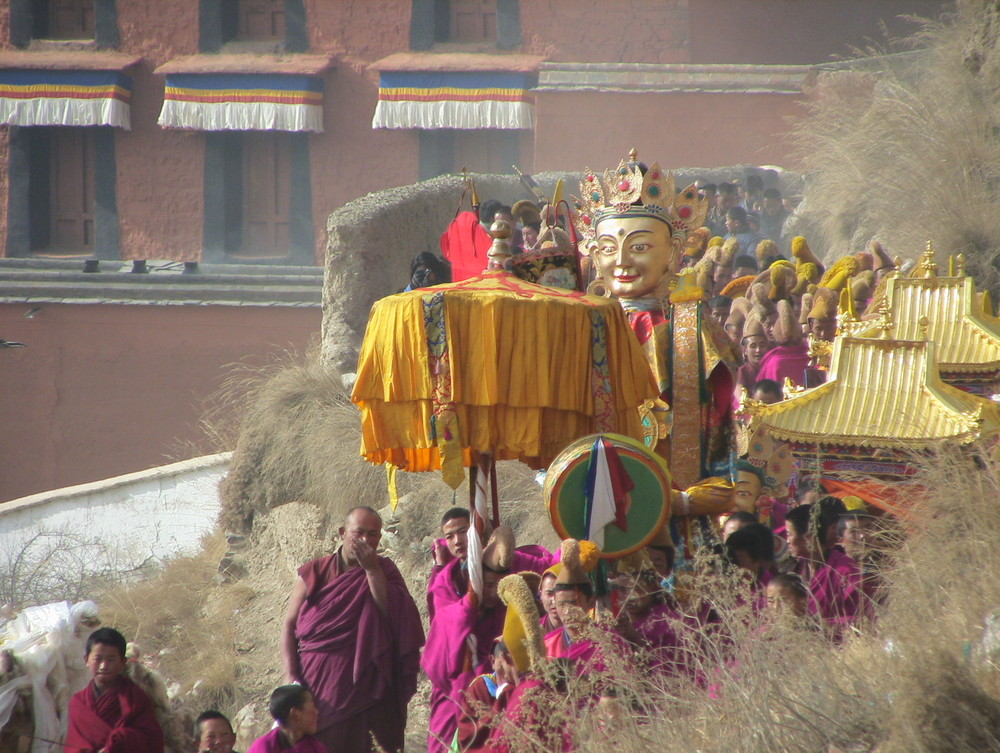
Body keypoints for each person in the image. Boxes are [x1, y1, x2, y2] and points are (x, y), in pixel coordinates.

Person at [281, 506, 424, 753]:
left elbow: (394, 613)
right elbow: (290, 624)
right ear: (342, 533)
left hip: (365, 683)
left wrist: (371, 570)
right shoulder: (316, 572)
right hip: (317, 681)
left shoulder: (385, 570)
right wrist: (289, 673)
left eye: (373, 534)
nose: (366, 540)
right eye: (359, 532)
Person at [423, 526, 516, 753]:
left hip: (492, 700)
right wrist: (469, 605)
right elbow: (436, 663)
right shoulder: (453, 611)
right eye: (488, 585)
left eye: (500, 586)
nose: (494, 593)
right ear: (475, 583)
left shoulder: (506, 615)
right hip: (453, 701)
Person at [427, 508, 554, 621]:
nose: (457, 541)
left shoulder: (502, 557)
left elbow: (547, 566)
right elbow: (443, 617)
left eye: (463, 531)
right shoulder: (447, 577)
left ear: (475, 531)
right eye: (449, 536)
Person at [64, 627, 164, 753]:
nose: (103, 666)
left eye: (111, 659)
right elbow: (74, 745)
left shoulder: (135, 698)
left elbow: (152, 742)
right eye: (98, 659)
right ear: (86, 660)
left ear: (122, 662)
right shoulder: (78, 702)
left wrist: (121, 740)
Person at [784, 503, 860, 637]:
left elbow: (860, 620)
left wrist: (816, 626)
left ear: (808, 537)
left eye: (789, 534)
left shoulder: (845, 571)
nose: (787, 541)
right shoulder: (795, 569)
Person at [246, 685, 325, 753]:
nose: (316, 712)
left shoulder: (315, 748)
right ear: (295, 714)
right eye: (312, 707)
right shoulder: (263, 748)